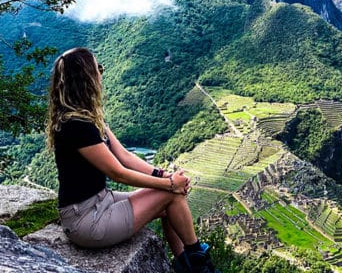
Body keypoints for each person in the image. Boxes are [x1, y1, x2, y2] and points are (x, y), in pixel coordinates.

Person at [46, 47, 217, 273]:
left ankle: (187, 263)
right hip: (86, 220)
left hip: (99, 202)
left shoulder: (86, 118)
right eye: (98, 68)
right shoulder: (77, 126)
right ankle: (197, 265)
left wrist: (161, 174)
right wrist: (170, 184)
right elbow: (118, 173)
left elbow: (124, 155)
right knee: (170, 195)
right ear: (87, 78)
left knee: (170, 198)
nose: (101, 74)